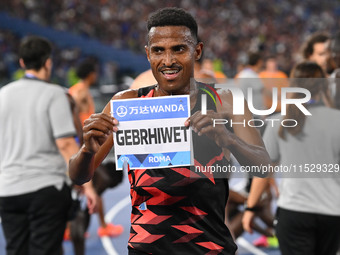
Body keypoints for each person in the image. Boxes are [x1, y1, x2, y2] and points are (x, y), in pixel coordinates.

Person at [69, 7, 270, 254]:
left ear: (197, 51)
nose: (168, 61)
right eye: (158, 50)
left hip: (209, 247)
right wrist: (87, 151)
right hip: (147, 248)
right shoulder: (126, 104)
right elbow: (79, 176)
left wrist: (228, 139)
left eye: (179, 49)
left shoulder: (225, 101)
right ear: (147, 54)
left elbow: (262, 167)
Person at [0, 36, 96, 255]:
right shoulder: (55, 94)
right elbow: (65, 143)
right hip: (46, 189)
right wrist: (87, 186)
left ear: (22, 63)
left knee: (16, 250)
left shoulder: (3, 94)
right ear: (48, 62)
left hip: (8, 190)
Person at [243, 62, 340, 255]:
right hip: (332, 213)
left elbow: (263, 172)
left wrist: (251, 208)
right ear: (323, 85)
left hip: (294, 212)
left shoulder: (279, 122)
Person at [68, 59, 123, 242]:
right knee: (93, 184)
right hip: (82, 143)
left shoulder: (80, 90)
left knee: (91, 186)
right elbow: (71, 116)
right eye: (95, 72)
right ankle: (84, 225)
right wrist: (79, 143)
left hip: (84, 141)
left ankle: (96, 225)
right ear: (91, 74)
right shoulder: (79, 91)